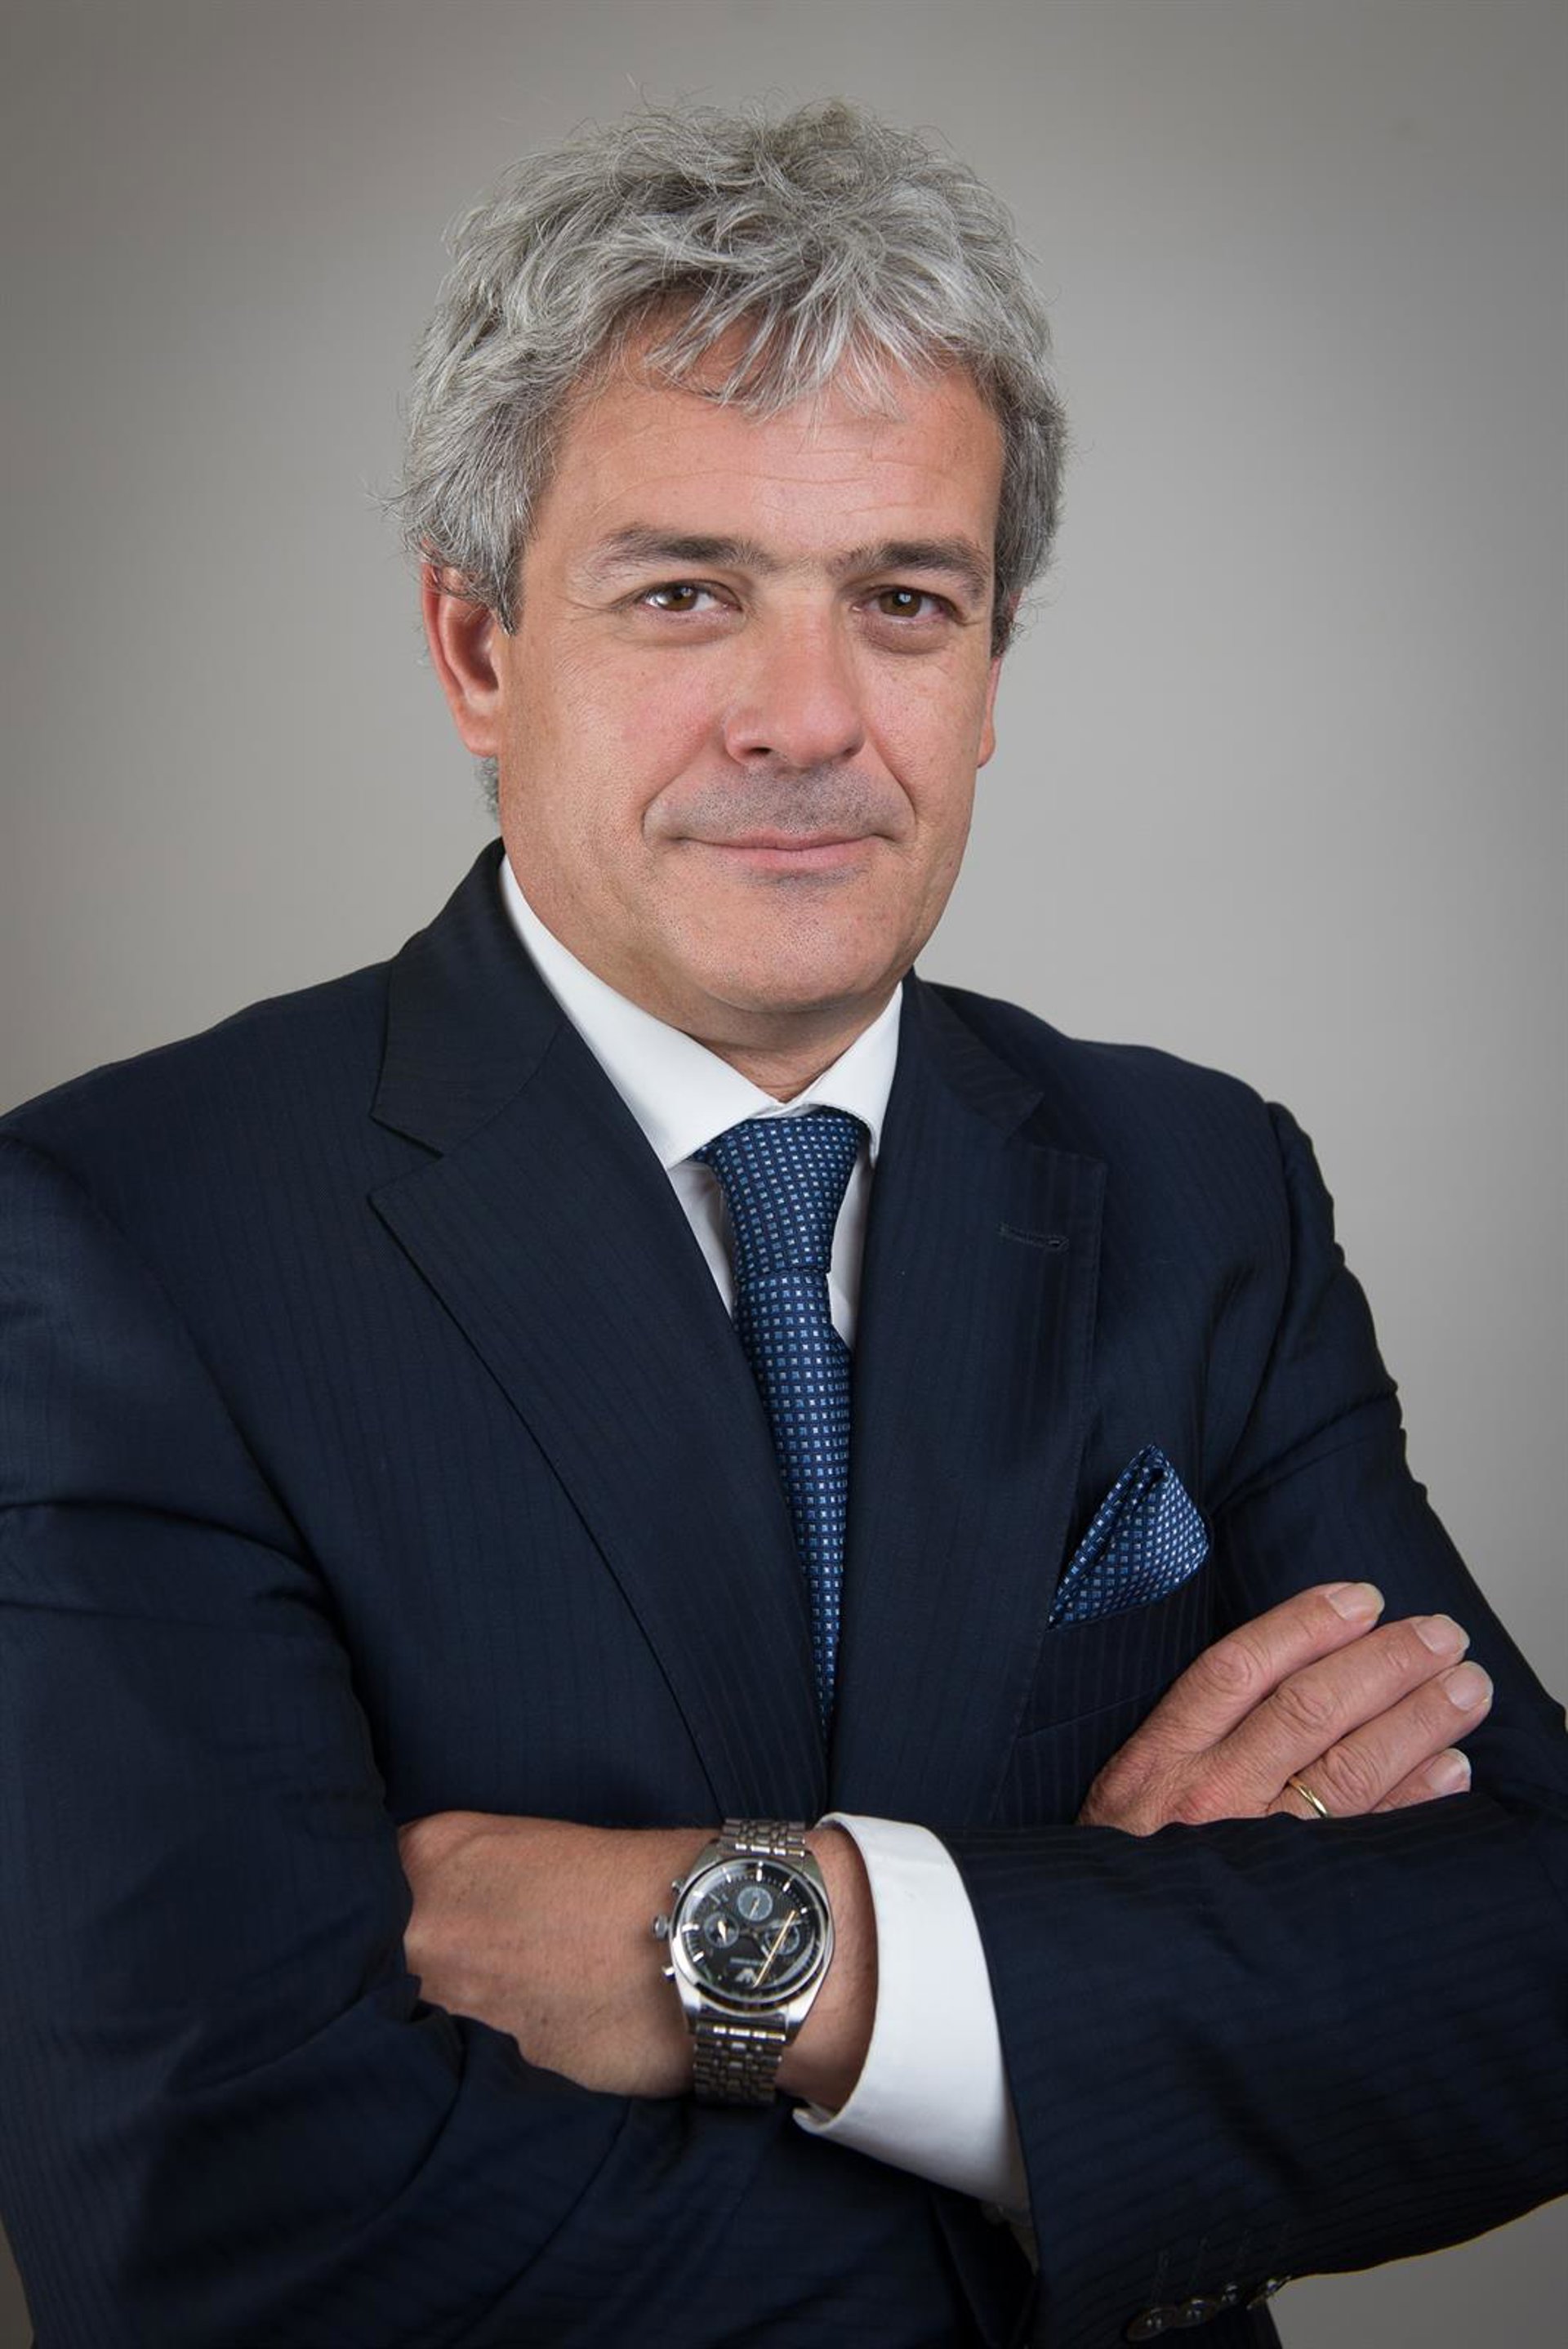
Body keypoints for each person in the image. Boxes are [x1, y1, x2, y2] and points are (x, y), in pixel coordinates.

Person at [0, 97, 1562, 2349]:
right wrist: (1119, 2083)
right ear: (475, 644)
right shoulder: (120, 1244)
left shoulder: (1204, 1187)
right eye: (686, 594)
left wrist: (814, 1959)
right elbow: (220, 2224)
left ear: (993, 664)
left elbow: (1528, 1967)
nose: (808, 721)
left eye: (903, 602)